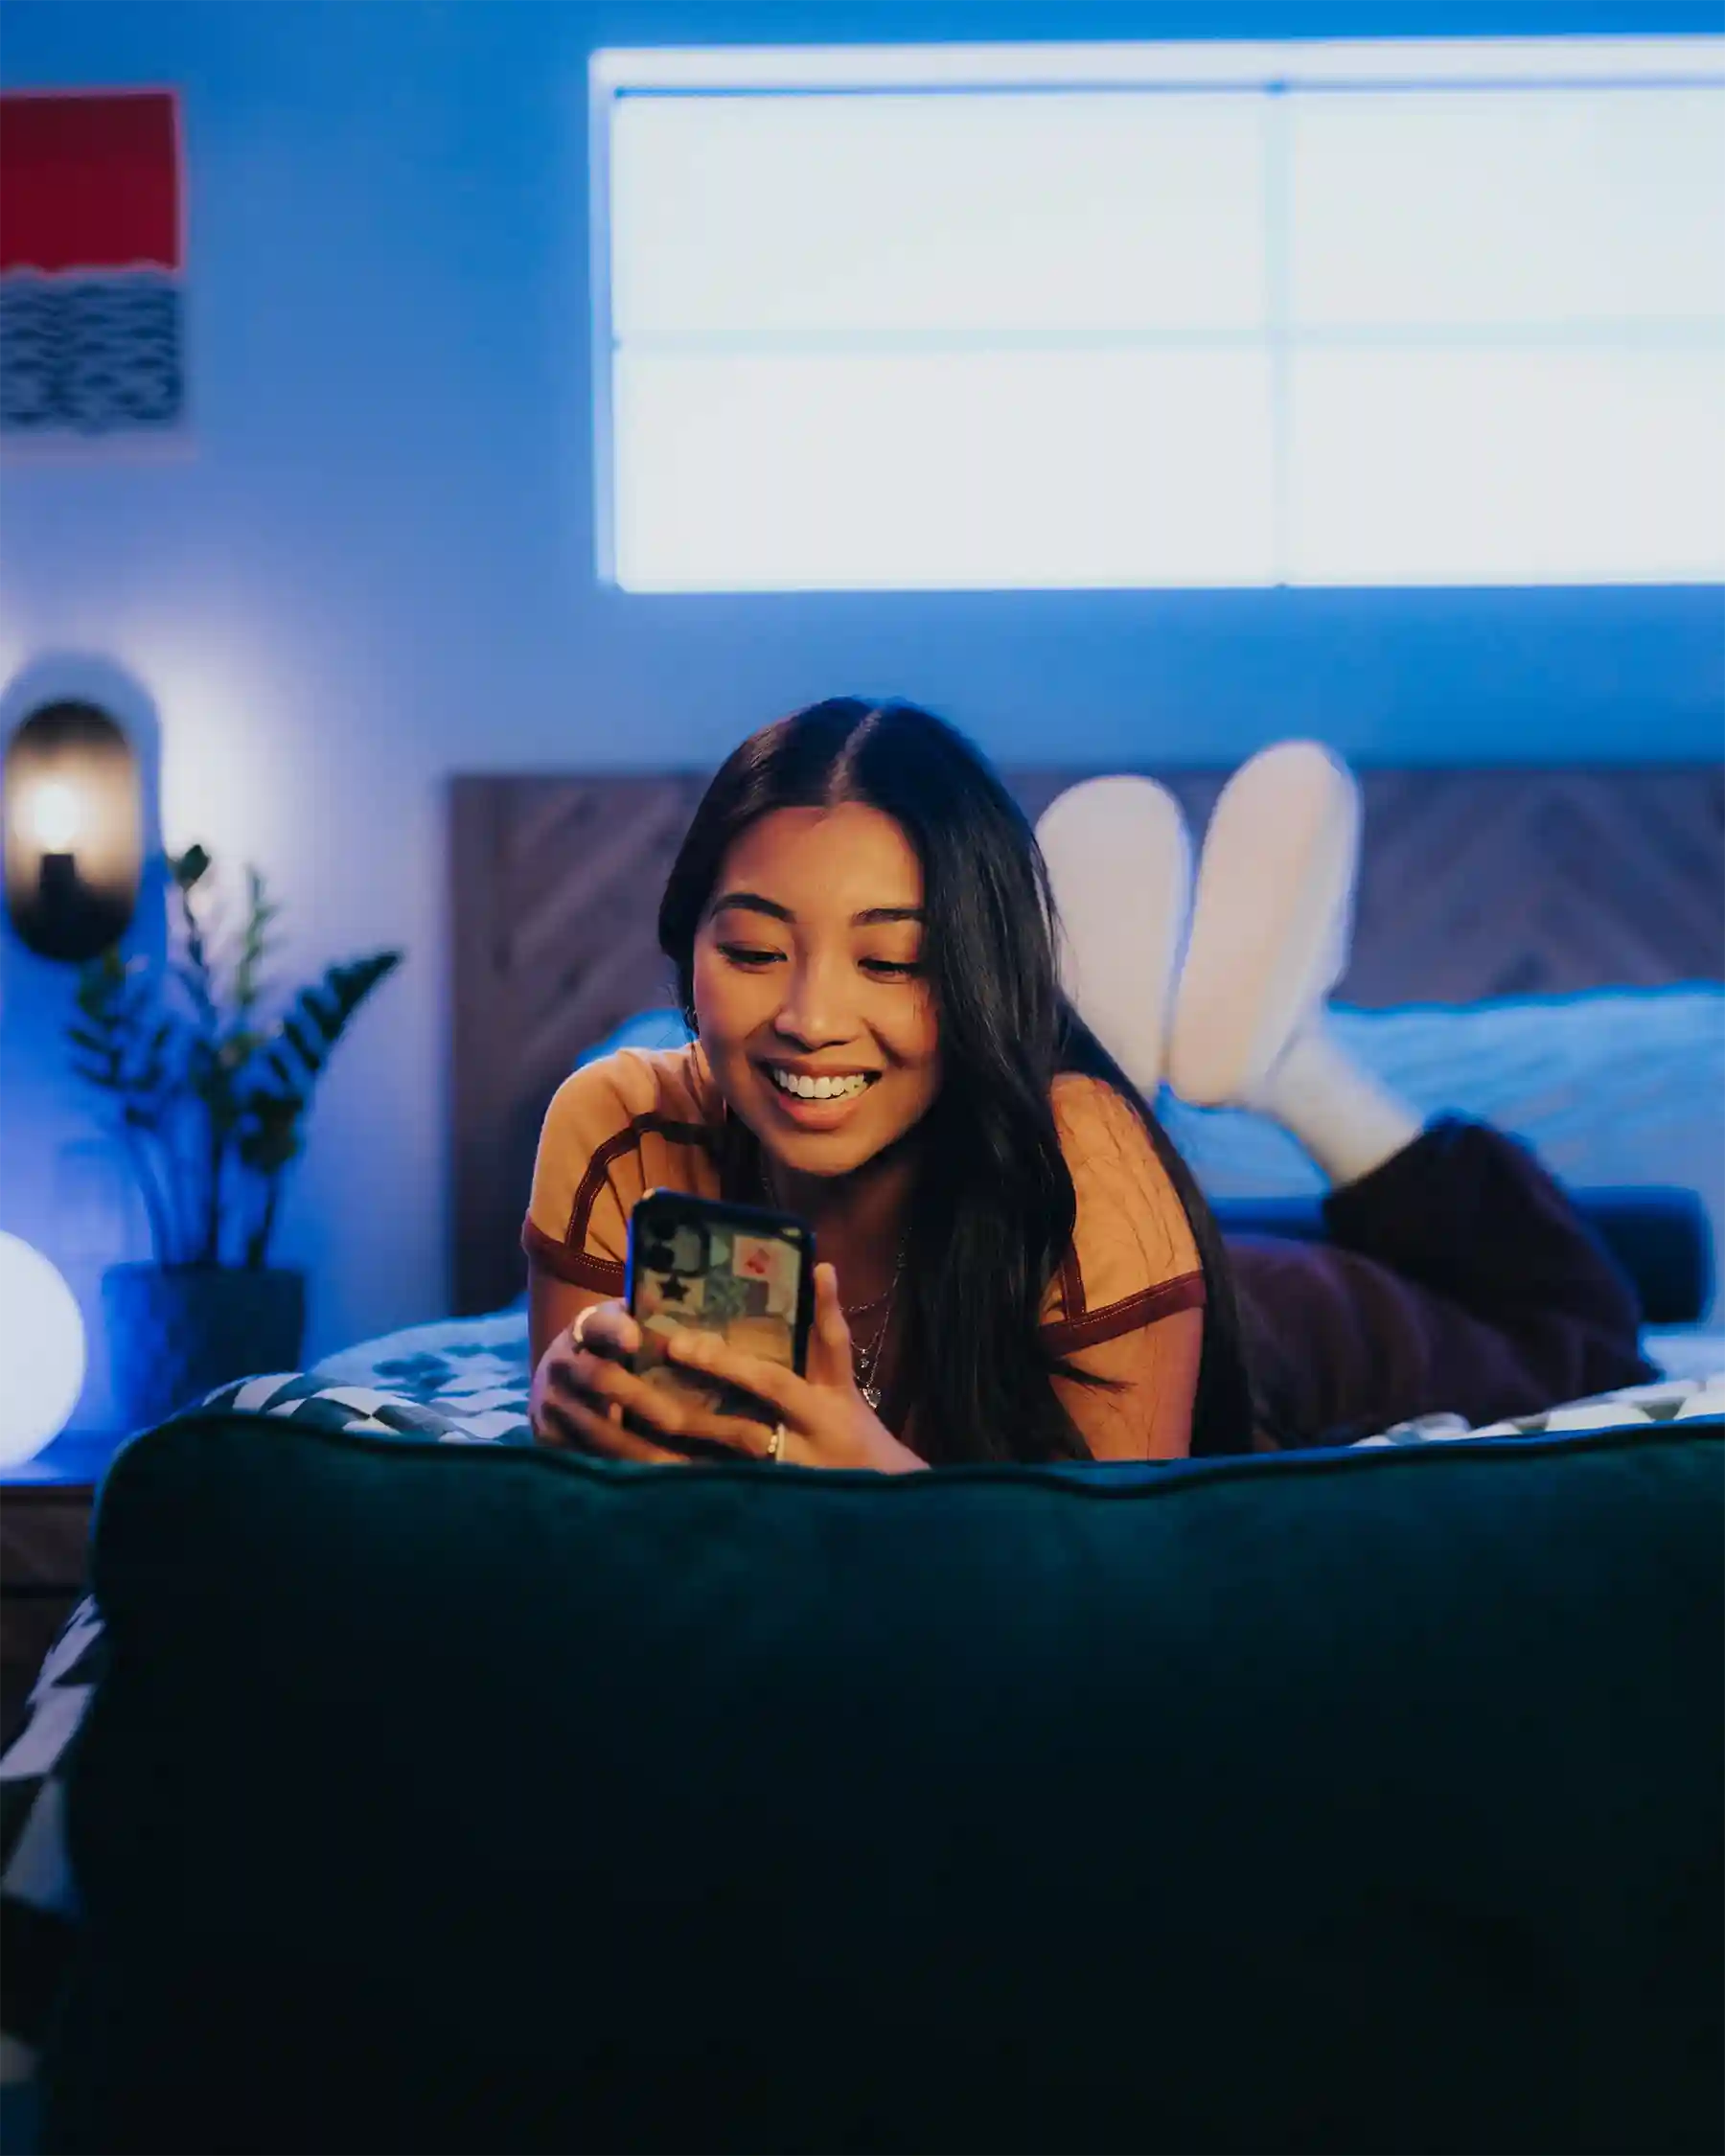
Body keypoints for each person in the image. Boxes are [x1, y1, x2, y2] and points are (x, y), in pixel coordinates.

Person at [525, 704, 1651, 1467]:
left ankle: (1290, 1068)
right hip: (1094, 1239)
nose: (811, 1020)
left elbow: (1114, 1600)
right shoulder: (621, 1123)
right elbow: (593, 1495)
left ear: (969, 973)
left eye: (896, 962)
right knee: (1086, 1174)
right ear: (687, 953)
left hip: (1268, 1329)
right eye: (756, 952)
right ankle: (1086, 1035)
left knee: (1583, 1324)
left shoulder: (1090, 1168)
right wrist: (565, 1413)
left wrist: (884, 1499)